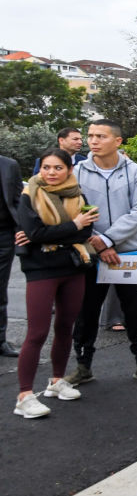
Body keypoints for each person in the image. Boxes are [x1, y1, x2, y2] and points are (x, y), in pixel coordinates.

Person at [68, 119, 137, 385]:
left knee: (135, 311)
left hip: (128, 254)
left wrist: (108, 240)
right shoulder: (78, 172)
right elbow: (72, 210)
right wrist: (96, 240)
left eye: (100, 136)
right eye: (90, 136)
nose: (93, 141)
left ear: (117, 141)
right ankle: (83, 365)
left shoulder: (136, 173)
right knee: (86, 311)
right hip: (89, 253)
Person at [13, 149, 99, 418]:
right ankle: (24, 396)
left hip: (72, 267)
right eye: (46, 167)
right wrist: (73, 225)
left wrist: (57, 235)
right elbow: (34, 232)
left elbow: (87, 230)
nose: (51, 173)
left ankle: (56, 381)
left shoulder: (78, 194)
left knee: (65, 327)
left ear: (69, 169)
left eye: (57, 168)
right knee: (37, 332)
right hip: (41, 270)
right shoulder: (30, 195)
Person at [0, 151, 22, 357]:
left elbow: (17, 200)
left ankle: (0, 340)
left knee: (0, 289)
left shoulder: (9, 165)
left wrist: (19, 231)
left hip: (3, 236)